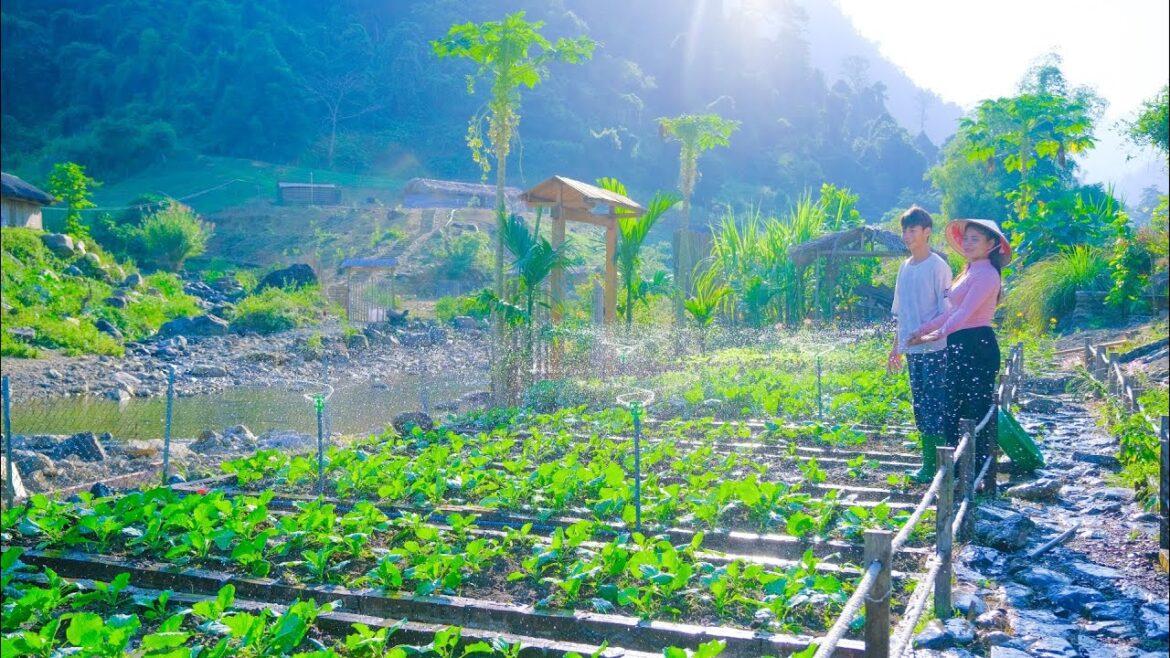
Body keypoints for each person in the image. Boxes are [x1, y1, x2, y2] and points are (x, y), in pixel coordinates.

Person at [908, 219, 1011, 453]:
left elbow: (965, 313)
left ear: (991, 244)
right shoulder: (970, 270)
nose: (968, 243)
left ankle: (977, 470)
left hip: (977, 345)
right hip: (960, 343)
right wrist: (923, 329)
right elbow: (952, 311)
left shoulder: (987, 274)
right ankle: (958, 468)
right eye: (966, 238)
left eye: (975, 239)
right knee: (954, 405)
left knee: (974, 407)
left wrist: (935, 335)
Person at [888, 206, 952, 482]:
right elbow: (902, 313)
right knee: (920, 404)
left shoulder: (938, 266)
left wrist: (926, 336)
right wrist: (896, 348)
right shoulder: (905, 267)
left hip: (935, 349)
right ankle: (928, 464)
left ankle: (940, 466)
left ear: (927, 233)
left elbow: (947, 311)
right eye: (904, 230)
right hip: (912, 349)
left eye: (913, 230)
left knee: (936, 405)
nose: (907, 235)